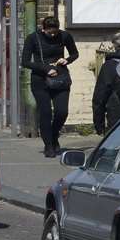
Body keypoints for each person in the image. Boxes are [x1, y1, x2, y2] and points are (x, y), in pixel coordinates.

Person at [21, 16, 79, 158]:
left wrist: (67, 59)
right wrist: (45, 68)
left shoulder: (65, 36)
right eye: (49, 32)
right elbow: (25, 61)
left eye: (55, 32)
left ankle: (53, 136)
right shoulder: (33, 38)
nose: (53, 35)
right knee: (46, 112)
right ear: (43, 29)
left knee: (62, 112)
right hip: (40, 79)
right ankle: (48, 145)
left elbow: (74, 53)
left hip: (60, 78)